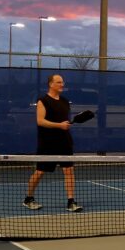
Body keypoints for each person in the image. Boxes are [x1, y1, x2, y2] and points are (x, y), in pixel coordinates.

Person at [24, 74, 81, 212]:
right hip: (47, 143)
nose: (62, 84)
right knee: (40, 172)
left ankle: (71, 201)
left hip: (65, 142)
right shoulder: (43, 101)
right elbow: (40, 121)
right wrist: (59, 125)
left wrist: (65, 125)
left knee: (69, 171)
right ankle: (28, 198)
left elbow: (63, 120)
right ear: (51, 84)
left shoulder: (65, 101)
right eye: (59, 82)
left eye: (63, 82)